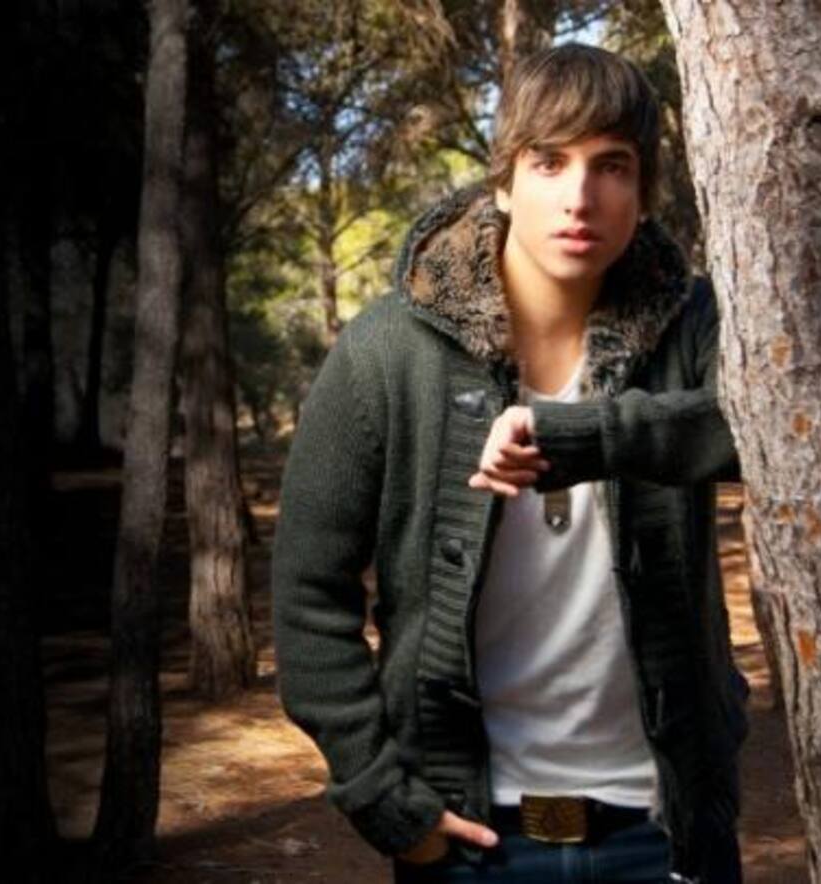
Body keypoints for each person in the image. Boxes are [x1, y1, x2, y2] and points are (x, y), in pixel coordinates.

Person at [271, 43, 748, 884]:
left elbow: (752, 426)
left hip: (668, 831)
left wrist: (578, 437)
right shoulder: (387, 352)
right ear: (502, 181)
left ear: (643, 190)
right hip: (472, 841)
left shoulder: (694, 326)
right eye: (549, 161)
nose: (579, 196)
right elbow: (308, 594)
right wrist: (386, 802)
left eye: (612, 165)